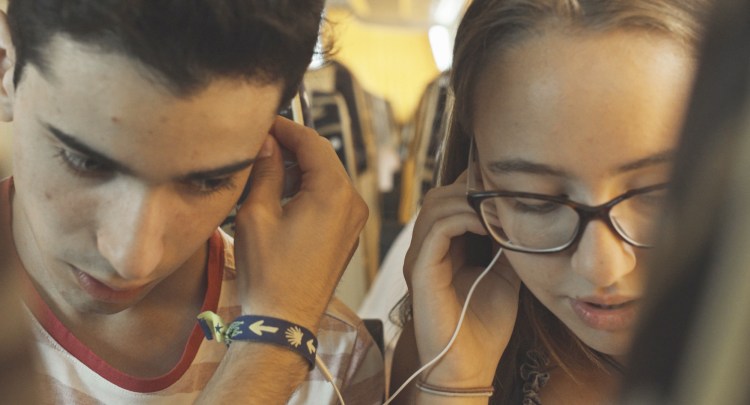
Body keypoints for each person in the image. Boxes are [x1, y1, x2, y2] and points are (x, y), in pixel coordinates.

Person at [0, 1, 384, 403]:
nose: (132, 261)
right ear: (6, 66)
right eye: (87, 162)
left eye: (208, 181)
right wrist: (271, 350)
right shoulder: (294, 340)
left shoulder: (335, 357)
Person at [390, 0, 711, 403]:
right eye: (536, 201)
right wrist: (455, 386)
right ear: (477, 180)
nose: (601, 267)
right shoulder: (444, 338)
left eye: (657, 194)